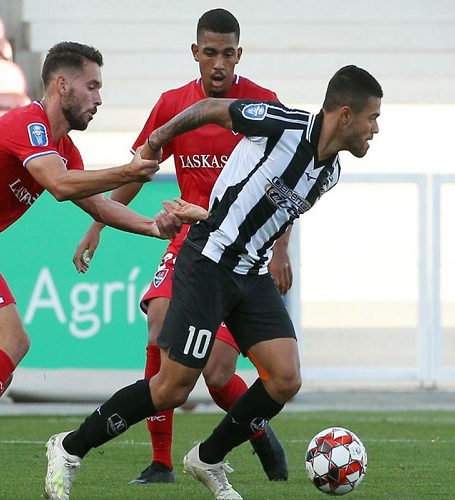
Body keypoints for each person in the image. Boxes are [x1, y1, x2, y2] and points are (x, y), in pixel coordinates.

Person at [45, 64, 383, 500]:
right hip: (208, 262)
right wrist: (155, 141)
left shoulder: (329, 173)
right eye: (373, 118)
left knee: (285, 379)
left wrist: (234, 229)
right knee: (172, 388)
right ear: (345, 114)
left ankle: (207, 458)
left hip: (251, 273)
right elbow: (207, 108)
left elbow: (264, 211)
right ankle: (69, 448)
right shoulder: (282, 125)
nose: (375, 129)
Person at [0, 41, 206, 500]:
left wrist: (153, 226)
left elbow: (97, 205)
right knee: (14, 340)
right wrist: (128, 170)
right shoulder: (28, 125)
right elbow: (61, 185)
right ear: (62, 85)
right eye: (92, 86)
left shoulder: (60, 146)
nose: (99, 98)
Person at [71, 8, 289, 485]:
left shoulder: (263, 104)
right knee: (157, 325)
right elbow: (139, 167)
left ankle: (257, 430)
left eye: (227, 54)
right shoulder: (173, 105)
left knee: (218, 374)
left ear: (239, 55)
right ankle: (161, 462)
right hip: (191, 244)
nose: (218, 64)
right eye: (209, 53)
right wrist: (99, 223)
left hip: (243, 252)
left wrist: (279, 250)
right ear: (195, 52)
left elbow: (285, 182)